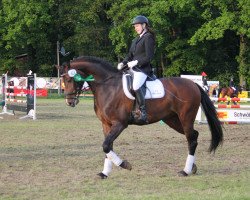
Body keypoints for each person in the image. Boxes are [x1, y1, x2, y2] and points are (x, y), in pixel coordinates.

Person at [117, 15, 156, 123]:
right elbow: (129, 54)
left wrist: (136, 62)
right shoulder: (136, 39)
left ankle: (143, 112)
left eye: (137, 26)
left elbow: (149, 57)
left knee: (135, 85)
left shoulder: (148, 37)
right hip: (132, 68)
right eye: (134, 26)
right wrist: (123, 63)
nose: (135, 28)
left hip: (143, 69)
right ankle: (129, 110)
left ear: (144, 25)